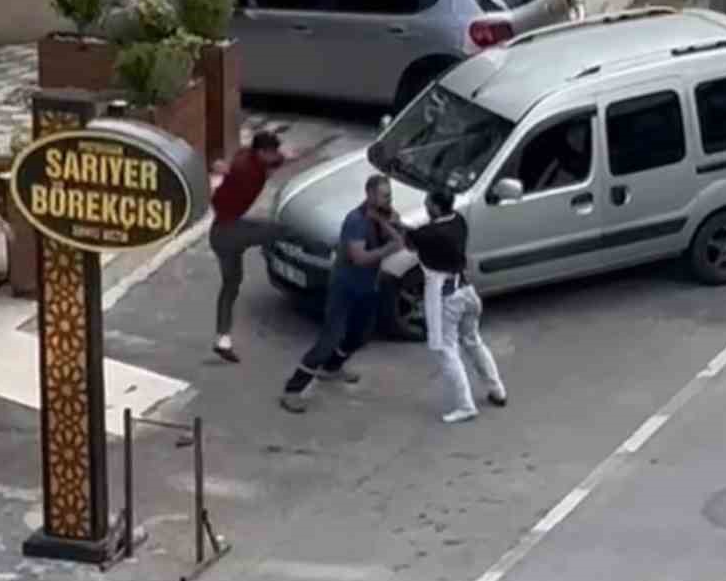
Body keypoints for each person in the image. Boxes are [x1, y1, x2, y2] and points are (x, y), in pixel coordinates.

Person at [280, 174, 403, 412]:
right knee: (330, 339)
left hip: (367, 288)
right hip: (345, 288)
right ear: (369, 195)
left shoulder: (384, 215)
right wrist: (388, 248)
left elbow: (399, 235)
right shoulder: (355, 221)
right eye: (385, 196)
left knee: (361, 334)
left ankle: (332, 368)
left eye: (390, 195)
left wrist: (388, 224)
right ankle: (293, 389)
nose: (389, 200)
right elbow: (359, 257)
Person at [210, 129, 325, 363]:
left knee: (231, 285)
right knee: (282, 231)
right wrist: (223, 173)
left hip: (221, 233)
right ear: (261, 152)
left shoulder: (247, 156)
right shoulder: (245, 171)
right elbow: (219, 196)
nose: (275, 156)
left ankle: (222, 338)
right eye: (271, 152)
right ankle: (326, 249)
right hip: (232, 232)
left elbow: (275, 160)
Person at [405, 187, 506, 425]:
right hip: (468, 292)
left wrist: (390, 222)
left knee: (447, 350)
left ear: (437, 207)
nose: (426, 207)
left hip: (447, 298)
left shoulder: (430, 234)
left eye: (428, 203)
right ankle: (497, 389)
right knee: (473, 341)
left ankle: (465, 405)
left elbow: (408, 242)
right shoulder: (459, 222)